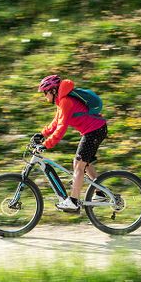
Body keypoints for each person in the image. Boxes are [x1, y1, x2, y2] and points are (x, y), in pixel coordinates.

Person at [34, 75, 108, 213]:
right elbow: (56, 122)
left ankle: (73, 201)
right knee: (83, 163)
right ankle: (100, 193)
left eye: (45, 93)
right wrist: (43, 134)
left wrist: (46, 144)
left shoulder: (65, 101)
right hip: (95, 130)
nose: (45, 96)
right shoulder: (62, 101)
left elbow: (61, 128)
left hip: (94, 131)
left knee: (78, 165)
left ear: (53, 91)